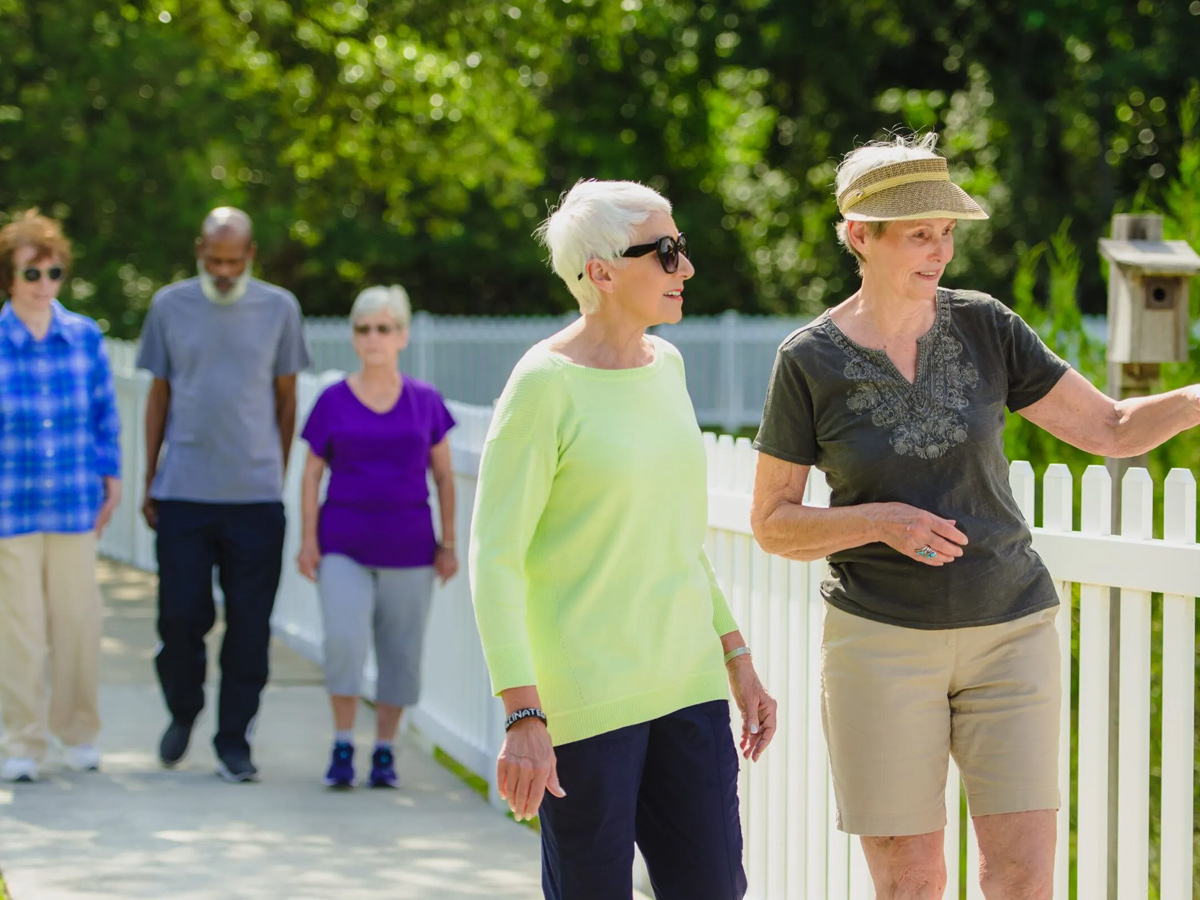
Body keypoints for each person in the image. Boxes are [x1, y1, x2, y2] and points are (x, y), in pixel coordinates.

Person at [750, 133, 1200, 900]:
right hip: (881, 643)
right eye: (920, 233)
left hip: (1011, 631)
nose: (941, 250)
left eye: (948, 231)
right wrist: (879, 520)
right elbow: (773, 521)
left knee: (1022, 875)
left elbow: (1110, 429)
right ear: (860, 235)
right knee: (912, 881)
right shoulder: (808, 362)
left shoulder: (986, 325)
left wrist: (1195, 400)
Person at [470, 180, 777, 900]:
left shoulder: (666, 368)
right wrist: (523, 712)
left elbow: (676, 539)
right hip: (587, 701)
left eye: (682, 249)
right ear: (602, 272)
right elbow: (495, 558)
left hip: (688, 686)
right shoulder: (542, 386)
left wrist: (736, 656)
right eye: (666, 252)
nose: (686, 268)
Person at [137, 207, 311, 783]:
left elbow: (286, 401)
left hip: (254, 501)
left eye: (234, 262)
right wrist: (149, 479)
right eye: (214, 260)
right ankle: (183, 710)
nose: (223, 272)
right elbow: (158, 396)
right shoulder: (169, 306)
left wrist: (273, 474)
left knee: (249, 626)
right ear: (199, 250)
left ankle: (234, 741)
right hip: (184, 490)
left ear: (250, 256)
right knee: (181, 617)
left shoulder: (279, 309)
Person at [296, 284, 458, 789]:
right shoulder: (333, 400)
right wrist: (308, 540)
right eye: (364, 329)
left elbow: (445, 477)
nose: (373, 338)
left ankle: (385, 750)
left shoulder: (425, 402)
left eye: (384, 329)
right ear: (353, 336)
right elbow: (310, 473)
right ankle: (344, 743)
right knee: (344, 641)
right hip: (342, 542)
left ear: (402, 336)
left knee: (400, 650)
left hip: (410, 548)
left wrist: (448, 543)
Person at [0, 210, 121, 783]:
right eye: (31, 273)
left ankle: (79, 731)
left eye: (53, 272)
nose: (44, 283)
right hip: (10, 506)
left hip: (74, 500)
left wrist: (111, 474)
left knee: (77, 624)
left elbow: (104, 415)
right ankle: (21, 741)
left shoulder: (85, 336)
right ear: (10, 279)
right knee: (18, 632)